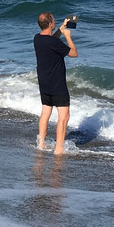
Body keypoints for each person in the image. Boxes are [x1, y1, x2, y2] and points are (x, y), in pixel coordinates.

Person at [33, 12, 78, 154]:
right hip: (57, 84)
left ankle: (41, 143)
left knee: (46, 111)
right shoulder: (54, 42)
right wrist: (68, 37)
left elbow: (50, 40)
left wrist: (60, 28)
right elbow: (73, 53)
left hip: (44, 83)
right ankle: (59, 149)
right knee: (64, 116)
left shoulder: (37, 39)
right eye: (53, 19)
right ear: (50, 23)